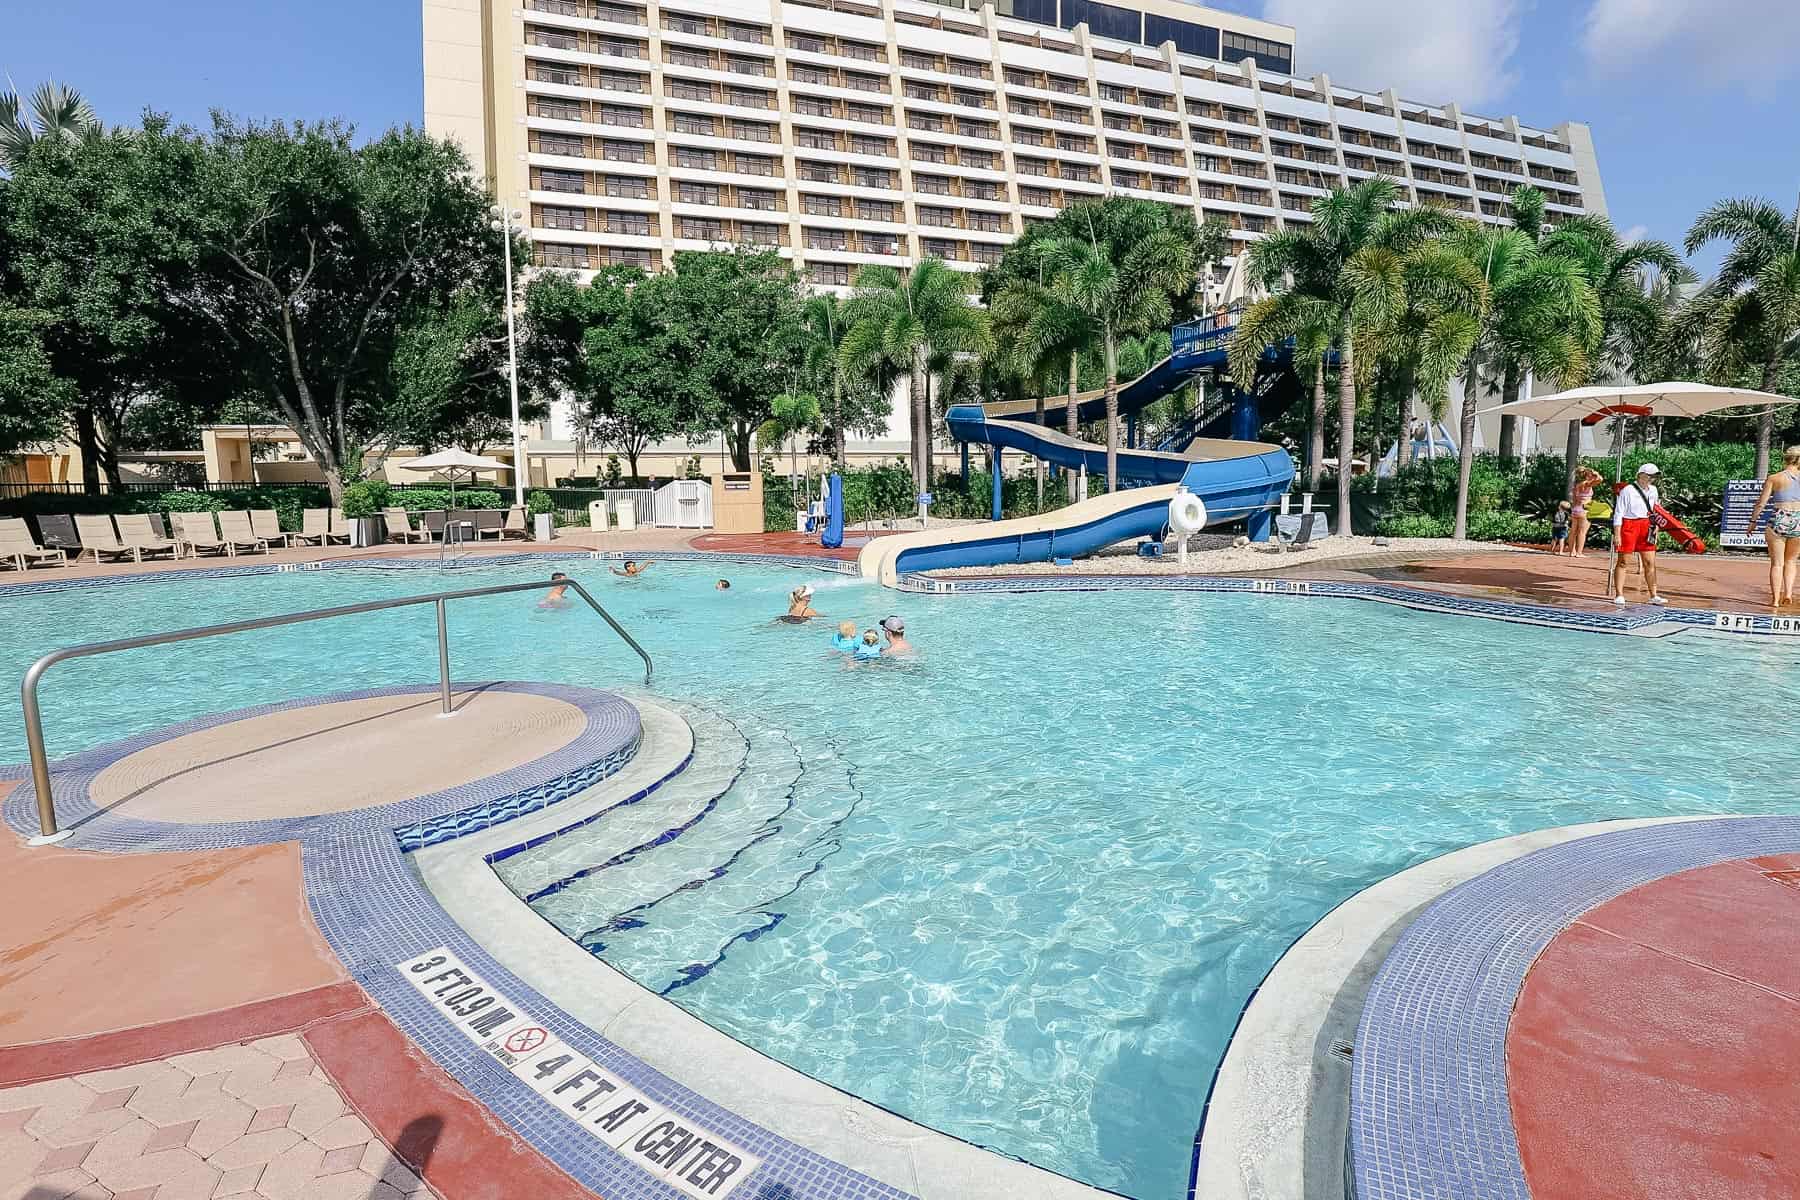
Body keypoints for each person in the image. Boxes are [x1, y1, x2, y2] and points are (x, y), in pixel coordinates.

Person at [1744, 445, 1800, 608]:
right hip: (1798, 519)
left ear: (1785, 458)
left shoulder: (1774, 478)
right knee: (1791, 561)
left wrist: (1753, 522)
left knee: (1777, 563)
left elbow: (1761, 503)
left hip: (1779, 518)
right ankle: (1788, 594)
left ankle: (1775, 600)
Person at [1611, 463, 1666, 606]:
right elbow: (1619, 512)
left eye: (1654, 476)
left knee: (1650, 562)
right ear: (1640, 474)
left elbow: (1656, 509)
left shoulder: (1653, 490)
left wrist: (1656, 526)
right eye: (1649, 476)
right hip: (1629, 524)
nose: (1651, 479)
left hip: (1646, 525)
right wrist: (1617, 534)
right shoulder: (1627, 490)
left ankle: (1653, 594)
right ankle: (1619, 594)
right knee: (1624, 561)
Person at [1570, 465, 1603, 559]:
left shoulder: (1576, 485)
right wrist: (1595, 473)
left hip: (1575, 509)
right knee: (1582, 532)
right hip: (1584, 509)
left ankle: (1572, 551)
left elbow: (1573, 498)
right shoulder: (1587, 484)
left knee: (1573, 531)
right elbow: (1600, 479)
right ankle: (1579, 552)